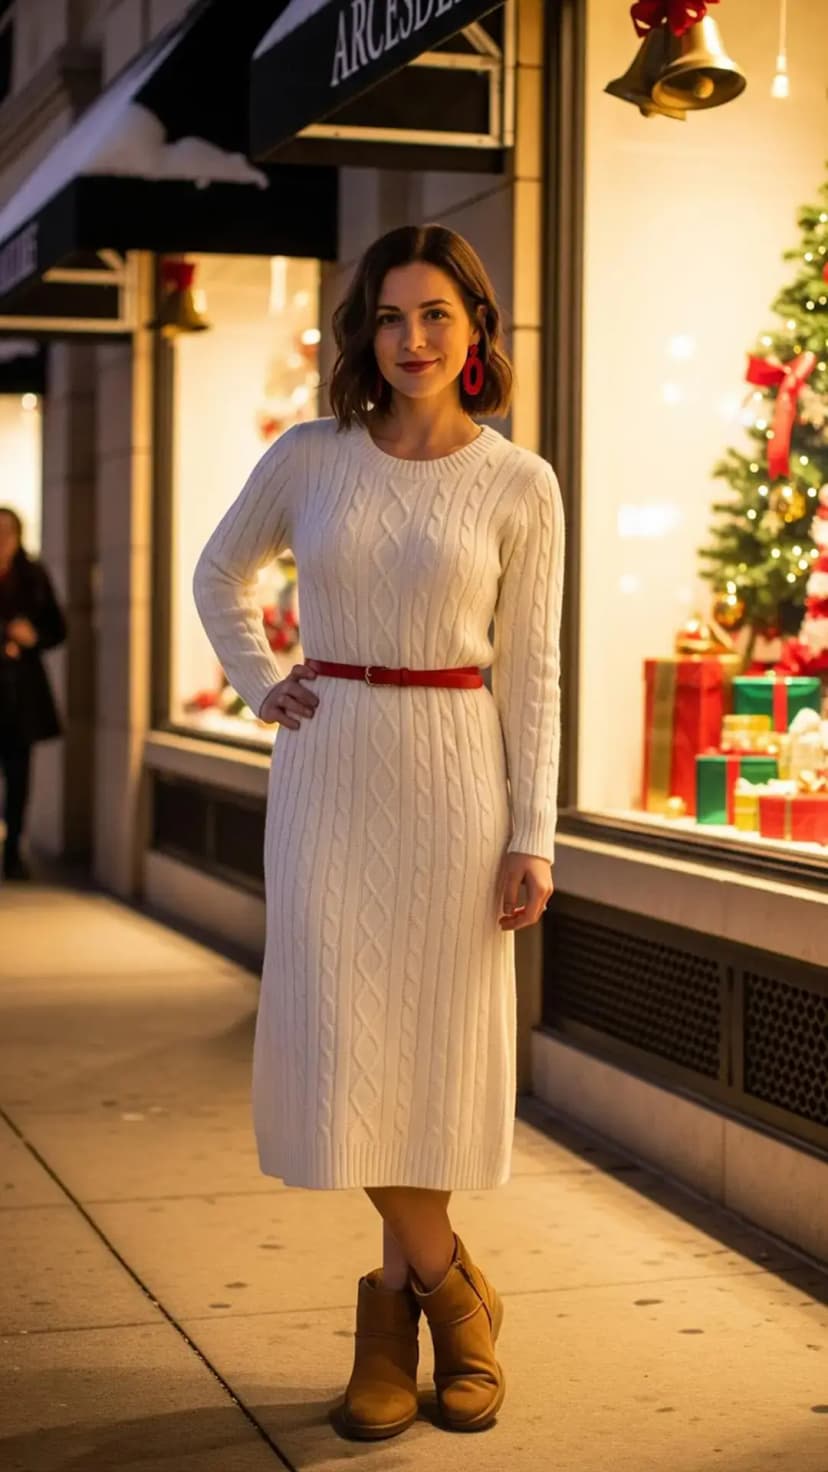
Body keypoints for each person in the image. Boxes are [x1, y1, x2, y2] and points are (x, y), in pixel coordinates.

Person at [193, 224, 565, 1439]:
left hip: (460, 778)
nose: (411, 340)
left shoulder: (520, 482)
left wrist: (535, 831)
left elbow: (538, 672)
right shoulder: (311, 456)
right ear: (368, 331)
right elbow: (218, 573)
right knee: (345, 1037)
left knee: (434, 1048)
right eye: (392, 317)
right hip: (331, 766)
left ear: (475, 332)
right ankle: (456, 1292)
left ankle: (393, 1315)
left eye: (437, 317)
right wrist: (260, 682)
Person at [0, 507, 67, 882]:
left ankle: (12, 852)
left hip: (20, 698)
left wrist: (33, 637)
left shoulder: (33, 576)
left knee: (19, 776)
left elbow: (58, 629)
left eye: (8, 532)